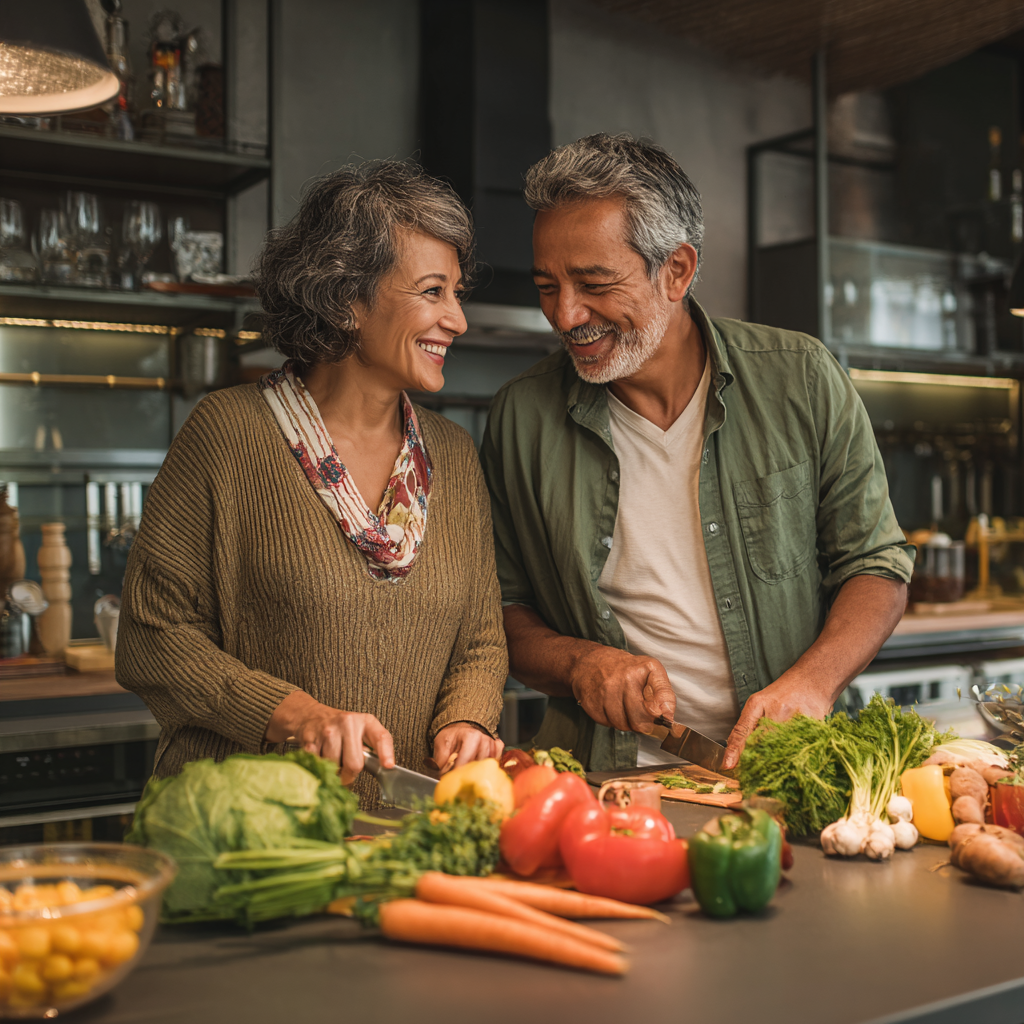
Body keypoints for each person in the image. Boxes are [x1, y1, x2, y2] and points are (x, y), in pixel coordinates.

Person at [481, 133, 914, 775]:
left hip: (787, 769)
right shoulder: (522, 416)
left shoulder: (800, 377)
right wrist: (580, 664)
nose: (566, 315)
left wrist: (812, 683)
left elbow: (876, 563)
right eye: (547, 287)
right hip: (607, 782)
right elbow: (501, 611)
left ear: (676, 271)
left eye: (595, 283)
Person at [117, 161, 507, 804]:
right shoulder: (226, 435)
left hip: (403, 834)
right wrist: (294, 716)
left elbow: (481, 641)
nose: (458, 320)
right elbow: (152, 638)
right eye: (434, 291)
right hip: (250, 836)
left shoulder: (454, 455)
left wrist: (467, 717)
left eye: (457, 293)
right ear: (347, 299)